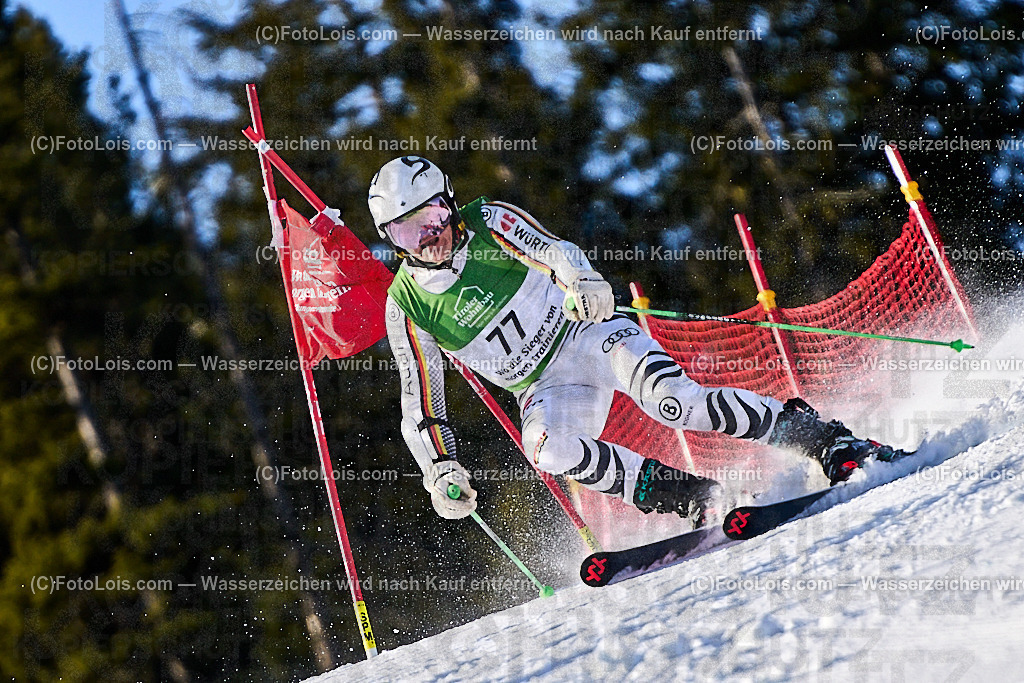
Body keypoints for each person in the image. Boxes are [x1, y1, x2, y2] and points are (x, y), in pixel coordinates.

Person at [370, 156, 901, 527]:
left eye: (434, 216)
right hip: (545, 387)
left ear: (450, 203)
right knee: (548, 449)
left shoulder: (487, 222)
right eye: (407, 231)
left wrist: (583, 281)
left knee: (675, 401)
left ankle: (827, 441)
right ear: (392, 239)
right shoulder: (407, 304)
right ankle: (697, 498)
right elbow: (420, 399)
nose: (429, 237)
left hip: (585, 333)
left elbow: (555, 250)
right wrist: (439, 469)